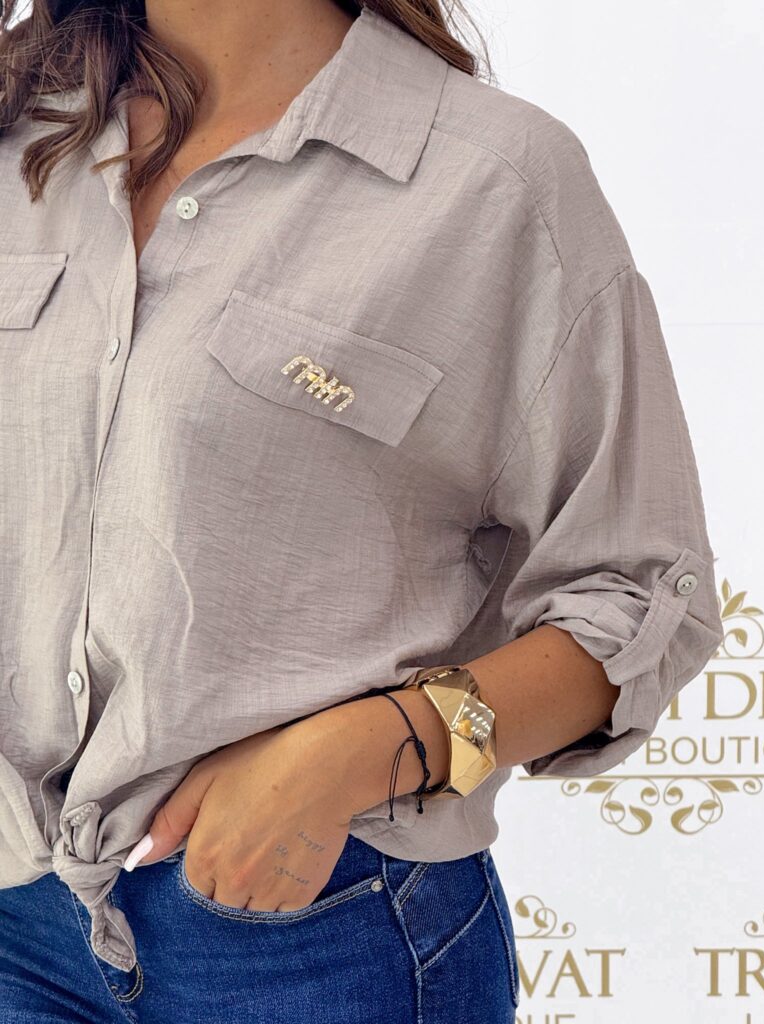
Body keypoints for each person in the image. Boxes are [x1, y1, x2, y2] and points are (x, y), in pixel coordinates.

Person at [0, 1, 723, 1021]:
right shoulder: (16, 133)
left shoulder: (492, 179)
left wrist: (369, 750)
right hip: (15, 917)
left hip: (311, 929)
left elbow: (640, 604)